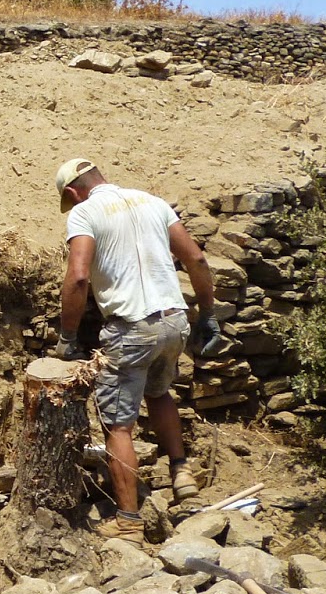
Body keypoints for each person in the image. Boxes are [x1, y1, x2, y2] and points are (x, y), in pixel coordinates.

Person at [52, 158, 223, 540]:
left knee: (118, 424)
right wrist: (208, 314)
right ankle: (181, 473)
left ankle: (128, 521)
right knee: (159, 393)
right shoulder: (153, 203)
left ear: (73, 192)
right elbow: (196, 258)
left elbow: (78, 277)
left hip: (131, 329)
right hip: (174, 321)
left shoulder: (85, 214)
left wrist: (68, 337)